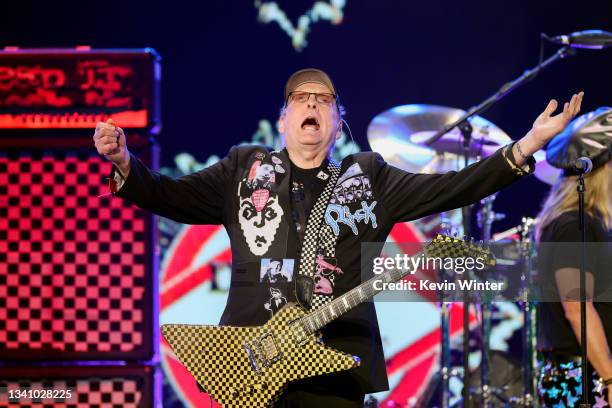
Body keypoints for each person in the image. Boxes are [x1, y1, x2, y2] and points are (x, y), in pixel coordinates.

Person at [93, 68, 583, 407]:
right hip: (251, 362)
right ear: (283, 120)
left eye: (323, 99)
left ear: (337, 121)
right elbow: (169, 195)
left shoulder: (368, 177)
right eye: (300, 98)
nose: (311, 103)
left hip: (336, 363)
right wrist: (123, 164)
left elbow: (453, 186)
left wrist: (529, 145)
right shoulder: (244, 168)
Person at [536, 107, 612, 408]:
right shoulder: (571, 224)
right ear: (604, 167)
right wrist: (609, 378)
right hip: (581, 380)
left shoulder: (591, 222)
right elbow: (577, 308)